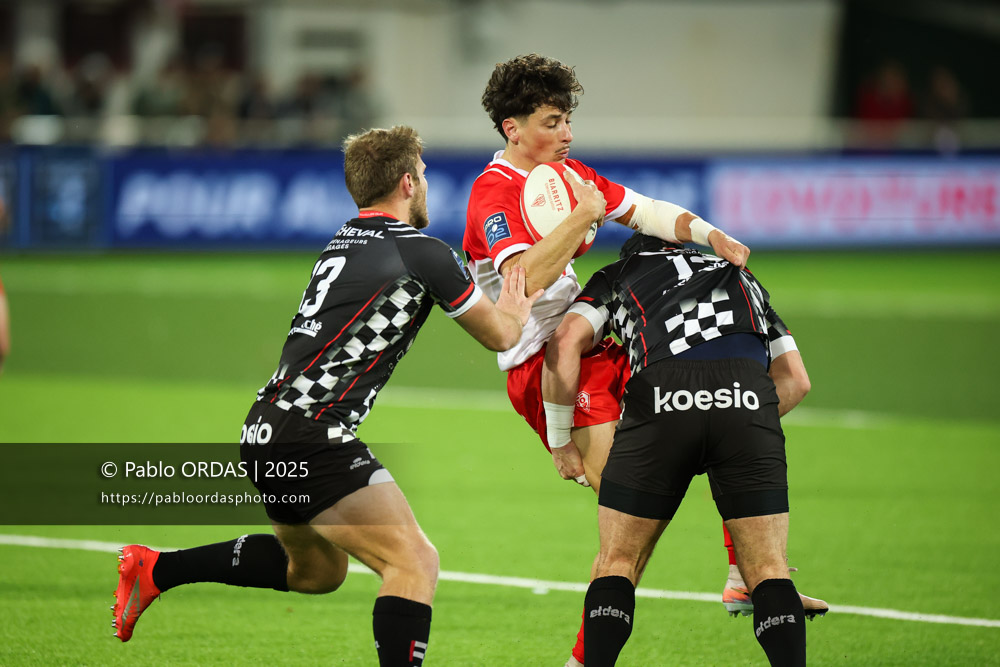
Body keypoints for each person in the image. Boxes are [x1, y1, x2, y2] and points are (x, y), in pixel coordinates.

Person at [112, 125, 542, 666]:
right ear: (408, 183)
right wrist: (522, 300)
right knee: (413, 562)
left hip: (266, 427)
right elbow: (502, 335)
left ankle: (155, 569)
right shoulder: (421, 251)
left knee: (316, 573)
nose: (428, 184)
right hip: (312, 431)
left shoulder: (344, 238)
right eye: (425, 175)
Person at [461, 53, 821, 666]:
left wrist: (713, 237)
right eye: (551, 121)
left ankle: (746, 573)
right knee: (630, 517)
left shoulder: (567, 172)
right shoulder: (493, 192)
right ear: (511, 129)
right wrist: (581, 219)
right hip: (545, 364)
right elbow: (520, 279)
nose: (566, 134)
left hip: (598, 345)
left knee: (720, 417)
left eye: (568, 119)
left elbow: (648, 212)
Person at [543, 233, 810, 666]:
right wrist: (729, 427)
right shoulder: (742, 276)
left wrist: (560, 438)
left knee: (618, 562)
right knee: (768, 571)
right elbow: (796, 380)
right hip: (746, 399)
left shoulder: (618, 275)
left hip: (663, 395)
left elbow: (565, 342)